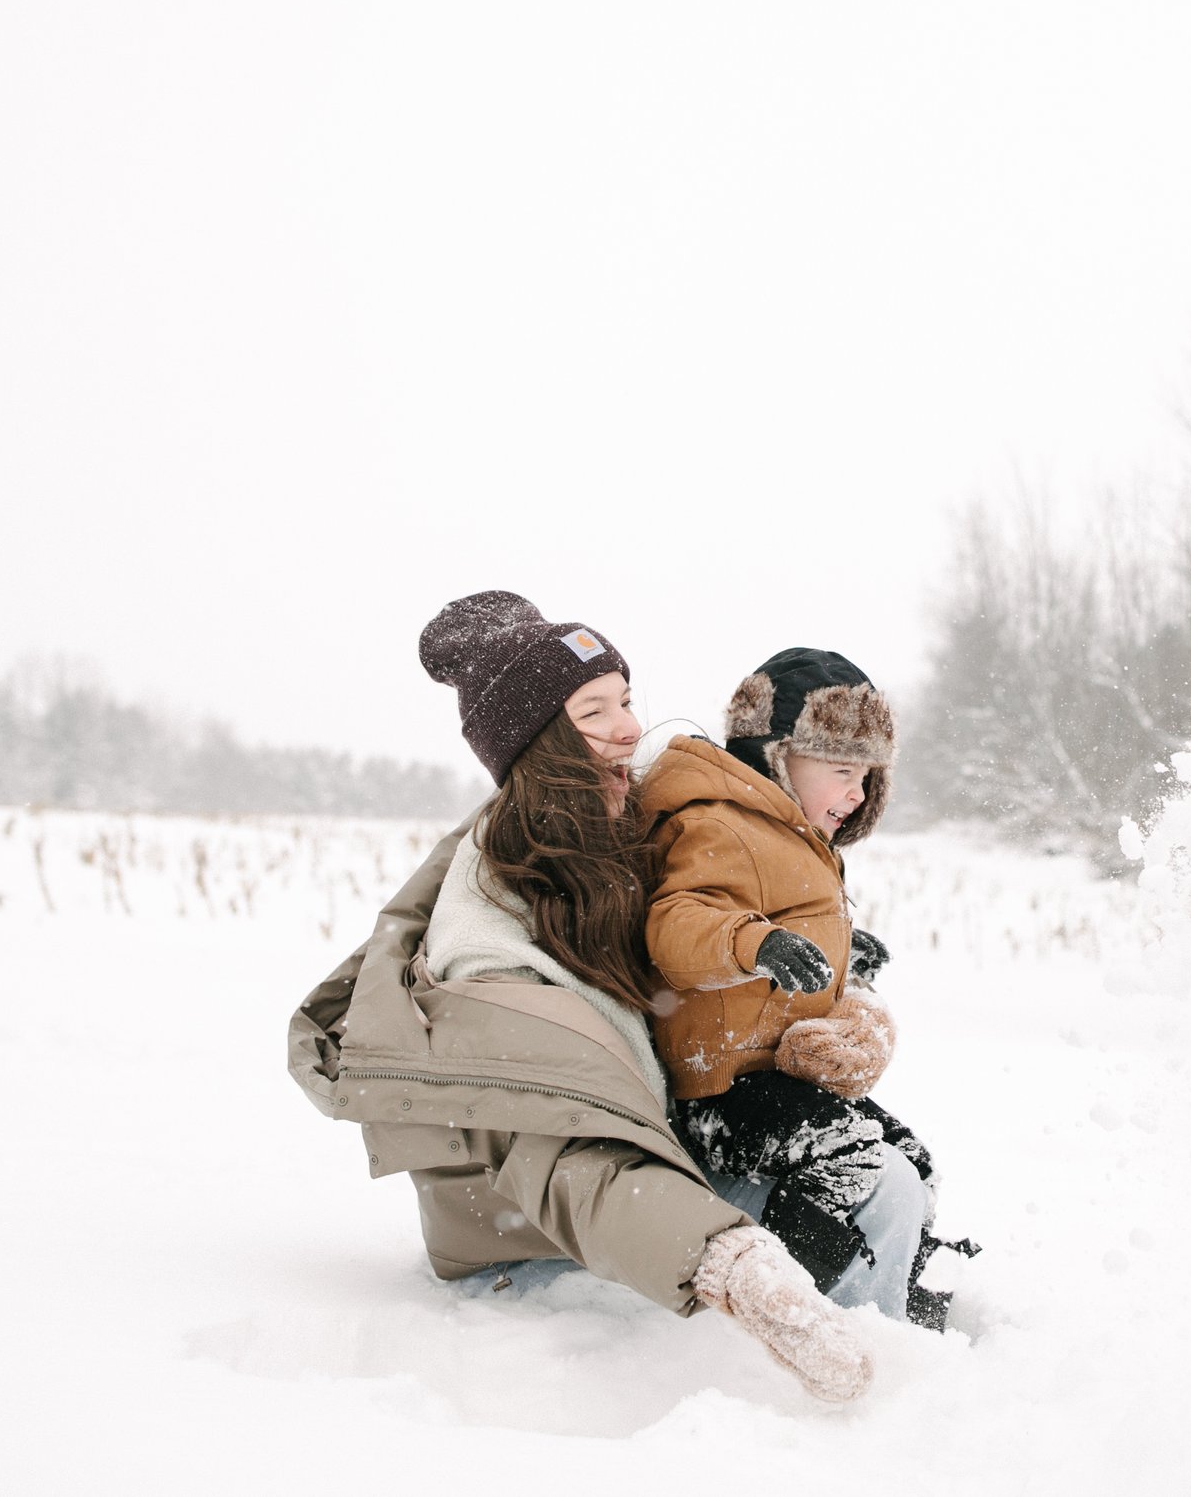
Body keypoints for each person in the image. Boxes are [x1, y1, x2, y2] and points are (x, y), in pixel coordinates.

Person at [286, 592, 873, 1403]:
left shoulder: (597, 853)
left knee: (862, 1165)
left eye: (626, 699)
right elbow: (567, 1159)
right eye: (596, 710)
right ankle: (890, 1356)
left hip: (620, 1183)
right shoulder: (494, 952)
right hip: (528, 1251)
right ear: (543, 742)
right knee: (860, 1189)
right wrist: (734, 1264)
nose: (632, 727)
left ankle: (897, 1312)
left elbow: (692, 934)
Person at [636, 647, 965, 1331]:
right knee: (853, 1165)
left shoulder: (793, 835)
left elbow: (792, 920)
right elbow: (675, 924)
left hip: (774, 1081)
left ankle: (905, 1286)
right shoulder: (718, 821)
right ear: (777, 754)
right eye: (843, 771)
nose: (856, 792)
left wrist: (845, 964)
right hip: (718, 1090)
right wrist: (754, 944)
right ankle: (801, 1295)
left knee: (910, 1159)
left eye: (867, 775)